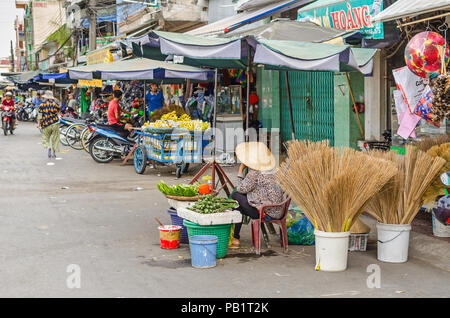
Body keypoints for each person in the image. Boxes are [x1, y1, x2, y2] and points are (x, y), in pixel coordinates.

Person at [230, 142, 284, 249]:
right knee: (238, 207)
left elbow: (240, 188)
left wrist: (241, 170)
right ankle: (235, 237)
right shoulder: (274, 169)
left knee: (235, 196)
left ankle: (235, 237)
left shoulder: (255, 172)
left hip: (265, 212)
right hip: (278, 210)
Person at [37, 91, 61, 159]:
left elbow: (39, 116)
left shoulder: (41, 105)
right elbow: (58, 111)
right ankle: (53, 153)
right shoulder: (55, 104)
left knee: (45, 138)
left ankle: (48, 147)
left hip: (45, 124)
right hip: (55, 123)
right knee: (55, 139)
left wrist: (39, 124)